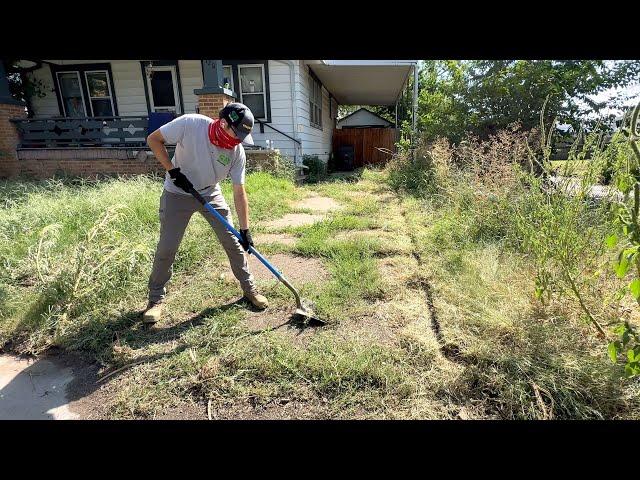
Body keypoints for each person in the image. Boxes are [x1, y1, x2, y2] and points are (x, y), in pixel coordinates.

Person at [142, 102, 268, 325]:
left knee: (234, 243)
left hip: (210, 194)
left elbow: (239, 192)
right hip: (177, 193)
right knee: (167, 247)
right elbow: (153, 139)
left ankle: (249, 289)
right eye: (236, 134)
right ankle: (155, 300)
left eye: (241, 137)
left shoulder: (236, 152)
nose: (237, 141)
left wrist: (245, 230)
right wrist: (172, 170)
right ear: (222, 124)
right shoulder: (191, 124)